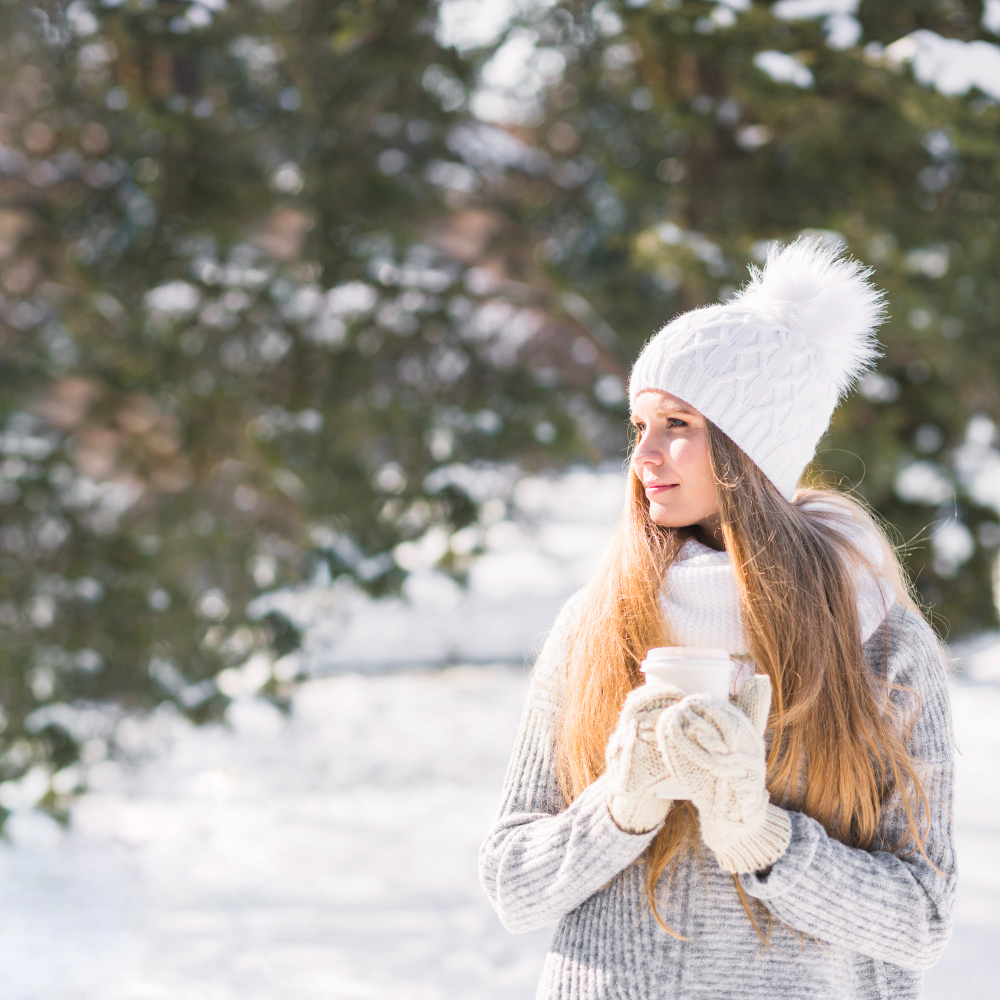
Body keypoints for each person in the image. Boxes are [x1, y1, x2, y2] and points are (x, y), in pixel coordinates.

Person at [478, 237, 957, 999]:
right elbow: (513, 885)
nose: (644, 455)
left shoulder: (879, 637)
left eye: (678, 424)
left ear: (749, 447)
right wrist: (620, 807)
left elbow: (922, 920)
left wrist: (761, 837)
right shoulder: (599, 621)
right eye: (640, 426)